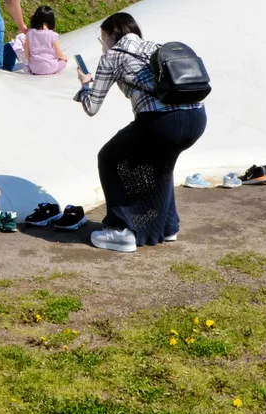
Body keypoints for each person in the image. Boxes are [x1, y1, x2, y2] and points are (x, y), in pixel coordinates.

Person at [75, 13, 206, 253]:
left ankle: (121, 229)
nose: (102, 44)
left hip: (163, 122)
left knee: (109, 157)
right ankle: (167, 226)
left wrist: (85, 84)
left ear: (110, 35)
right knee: (162, 163)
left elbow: (92, 107)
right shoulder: (155, 47)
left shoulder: (112, 56)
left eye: (102, 39)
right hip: (197, 118)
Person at [23, 5, 69, 75]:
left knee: (29, 65)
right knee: (63, 62)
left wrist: (31, 61)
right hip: (50, 66)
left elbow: (27, 52)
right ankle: (53, 71)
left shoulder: (29, 33)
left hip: (34, 67)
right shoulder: (52, 35)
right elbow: (58, 53)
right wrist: (64, 57)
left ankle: (30, 69)